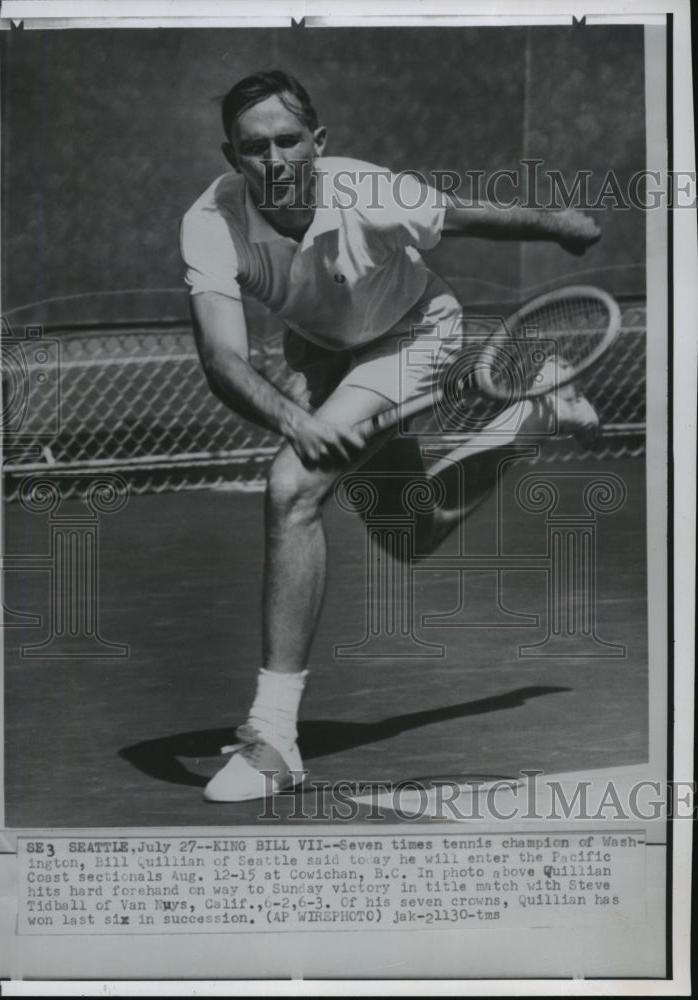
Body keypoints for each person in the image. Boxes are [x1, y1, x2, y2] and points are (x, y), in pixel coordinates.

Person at [179, 70, 601, 802]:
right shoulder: (209, 221)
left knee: (291, 490)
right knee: (413, 531)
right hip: (325, 347)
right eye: (255, 148)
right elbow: (221, 358)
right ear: (230, 156)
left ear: (319, 143)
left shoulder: (366, 190)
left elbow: (467, 217)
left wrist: (559, 224)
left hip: (414, 335)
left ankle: (273, 738)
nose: (275, 162)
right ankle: (535, 416)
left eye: (288, 141)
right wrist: (296, 418)